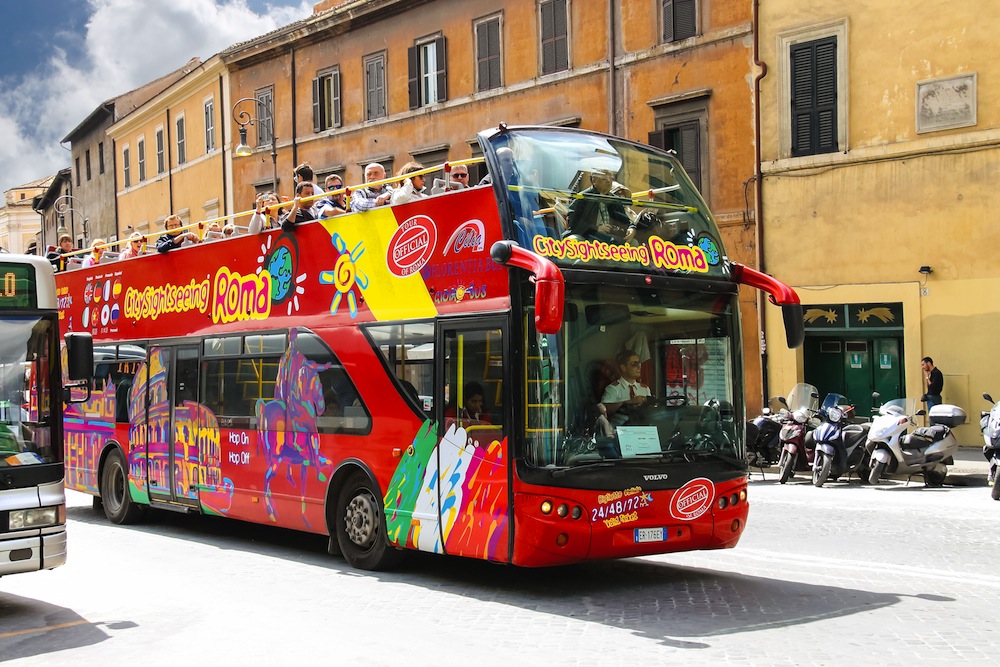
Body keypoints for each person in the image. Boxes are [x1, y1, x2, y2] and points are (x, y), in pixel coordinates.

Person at [565, 168, 633, 243]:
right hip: (587, 235)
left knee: (634, 242)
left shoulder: (615, 200)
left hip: (610, 237)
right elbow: (572, 222)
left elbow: (625, 221)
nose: (608, 181)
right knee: (573, 240)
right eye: (604, 179)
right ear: (594, 181)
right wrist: (596, 228)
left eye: (611, 178)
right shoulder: (583, 197)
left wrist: (631, 228)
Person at [601, 350, 651, 426]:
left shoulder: (644, 389)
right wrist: (628, 402)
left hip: (642, 429)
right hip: (621, 430)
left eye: (639, 363)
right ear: (623, 367)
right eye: (634, 364)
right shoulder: (613, 389)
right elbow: (604, 409)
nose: (639, 367)